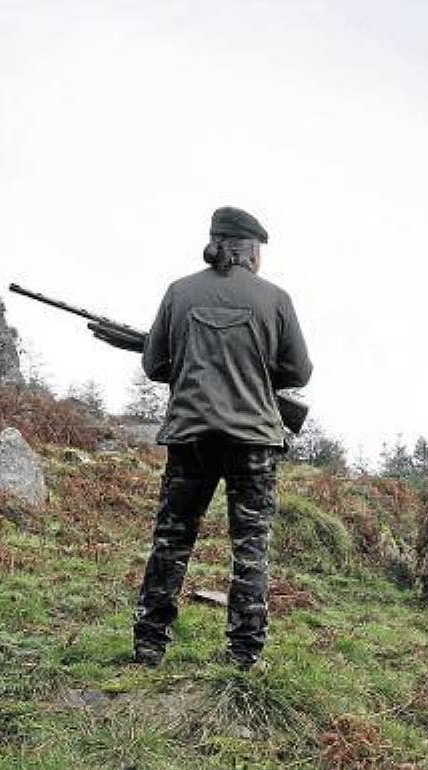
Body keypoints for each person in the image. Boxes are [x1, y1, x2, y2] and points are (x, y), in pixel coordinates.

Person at [131, 206, 313, 670]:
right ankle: (244, 654)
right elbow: (299, 372)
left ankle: (150, 645)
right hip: (253, 441)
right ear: (251, 250)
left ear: (216, 242)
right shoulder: (276, 299)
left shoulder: (179, 292)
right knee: (250, 548)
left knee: (171, 541)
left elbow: (154, 366)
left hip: (190, 437)